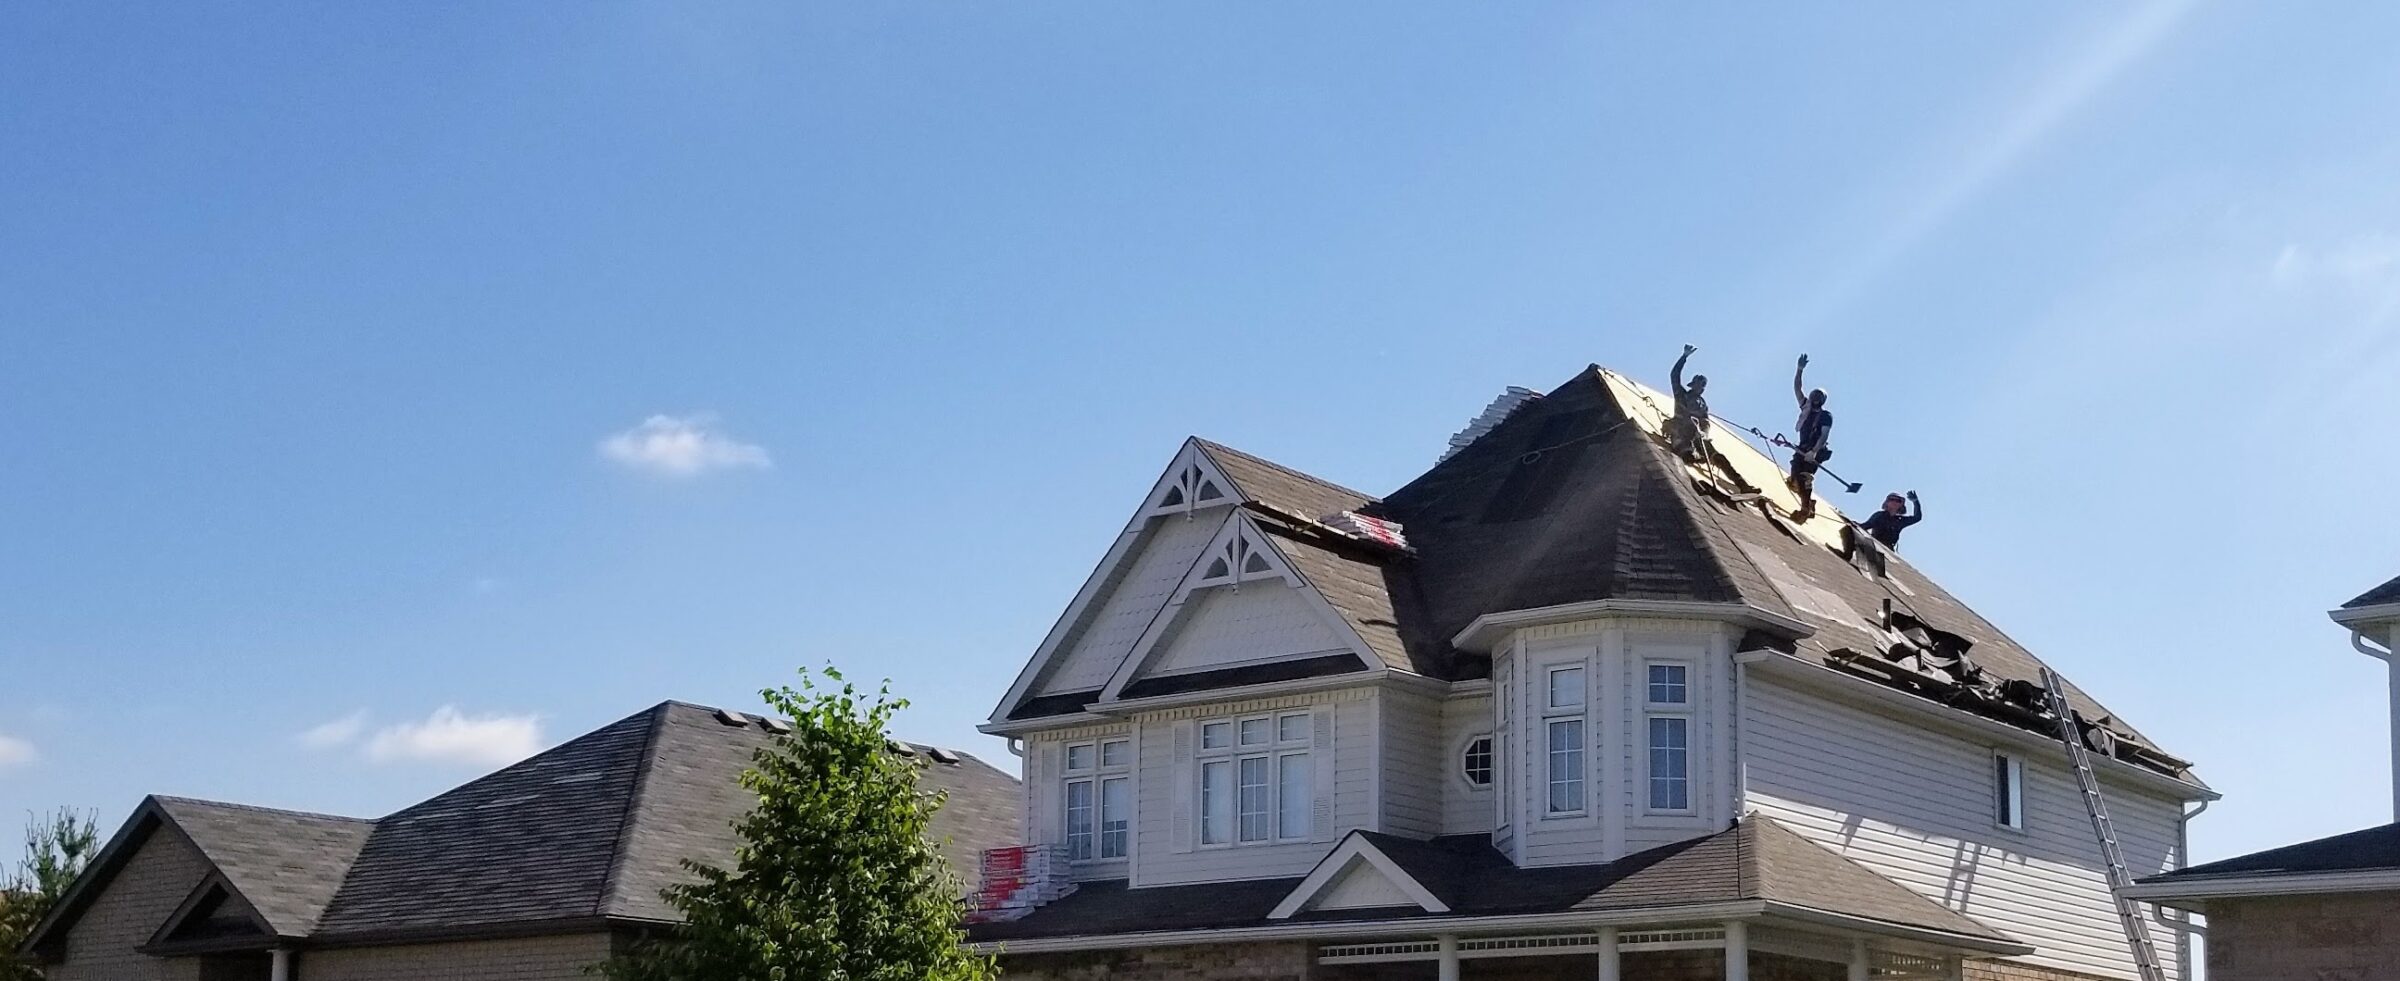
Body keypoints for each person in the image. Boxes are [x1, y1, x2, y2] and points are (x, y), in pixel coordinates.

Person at [1786, 354, 1833, 520]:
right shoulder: (1805, 408)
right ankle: (1809, 503)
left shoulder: (1826, 416)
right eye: (1814, 396)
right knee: (1793, 479)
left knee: (1804, 477)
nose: (1814, 399)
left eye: (1818, 398)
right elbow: (1797, 388)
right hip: (1803, 448)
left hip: (1816, 451)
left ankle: (1804, 510)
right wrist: (1799, 370)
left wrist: (1814, 451)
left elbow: (1824, 435)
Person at [1667, 344, 1710, 462]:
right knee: (1688, 432)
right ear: (1693, 385)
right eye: (1699, 385)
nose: (1701, 388)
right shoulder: (1682, 395)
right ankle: (1689, 452)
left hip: (1696, 437)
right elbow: (1674, 376)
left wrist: (1704, 434)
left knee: (1716, 455)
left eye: (1703, 387)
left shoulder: (1703, 405)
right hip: (1680, 435)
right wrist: (1684, 357)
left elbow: (1706, 422)